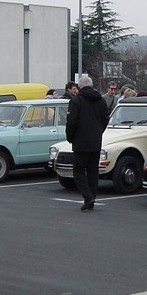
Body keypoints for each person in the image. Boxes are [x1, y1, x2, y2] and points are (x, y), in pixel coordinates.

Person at [65, 75, 109, 211]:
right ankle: (92, 197)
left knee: (78, 171)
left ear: (78, 87)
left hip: (80, 141)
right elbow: (105, 119)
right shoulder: (101, 100)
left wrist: (70, 137)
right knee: (92, 171)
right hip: (95, 140)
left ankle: (88, 196)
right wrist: (98, 132)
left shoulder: (76, 101)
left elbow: (72, 122)